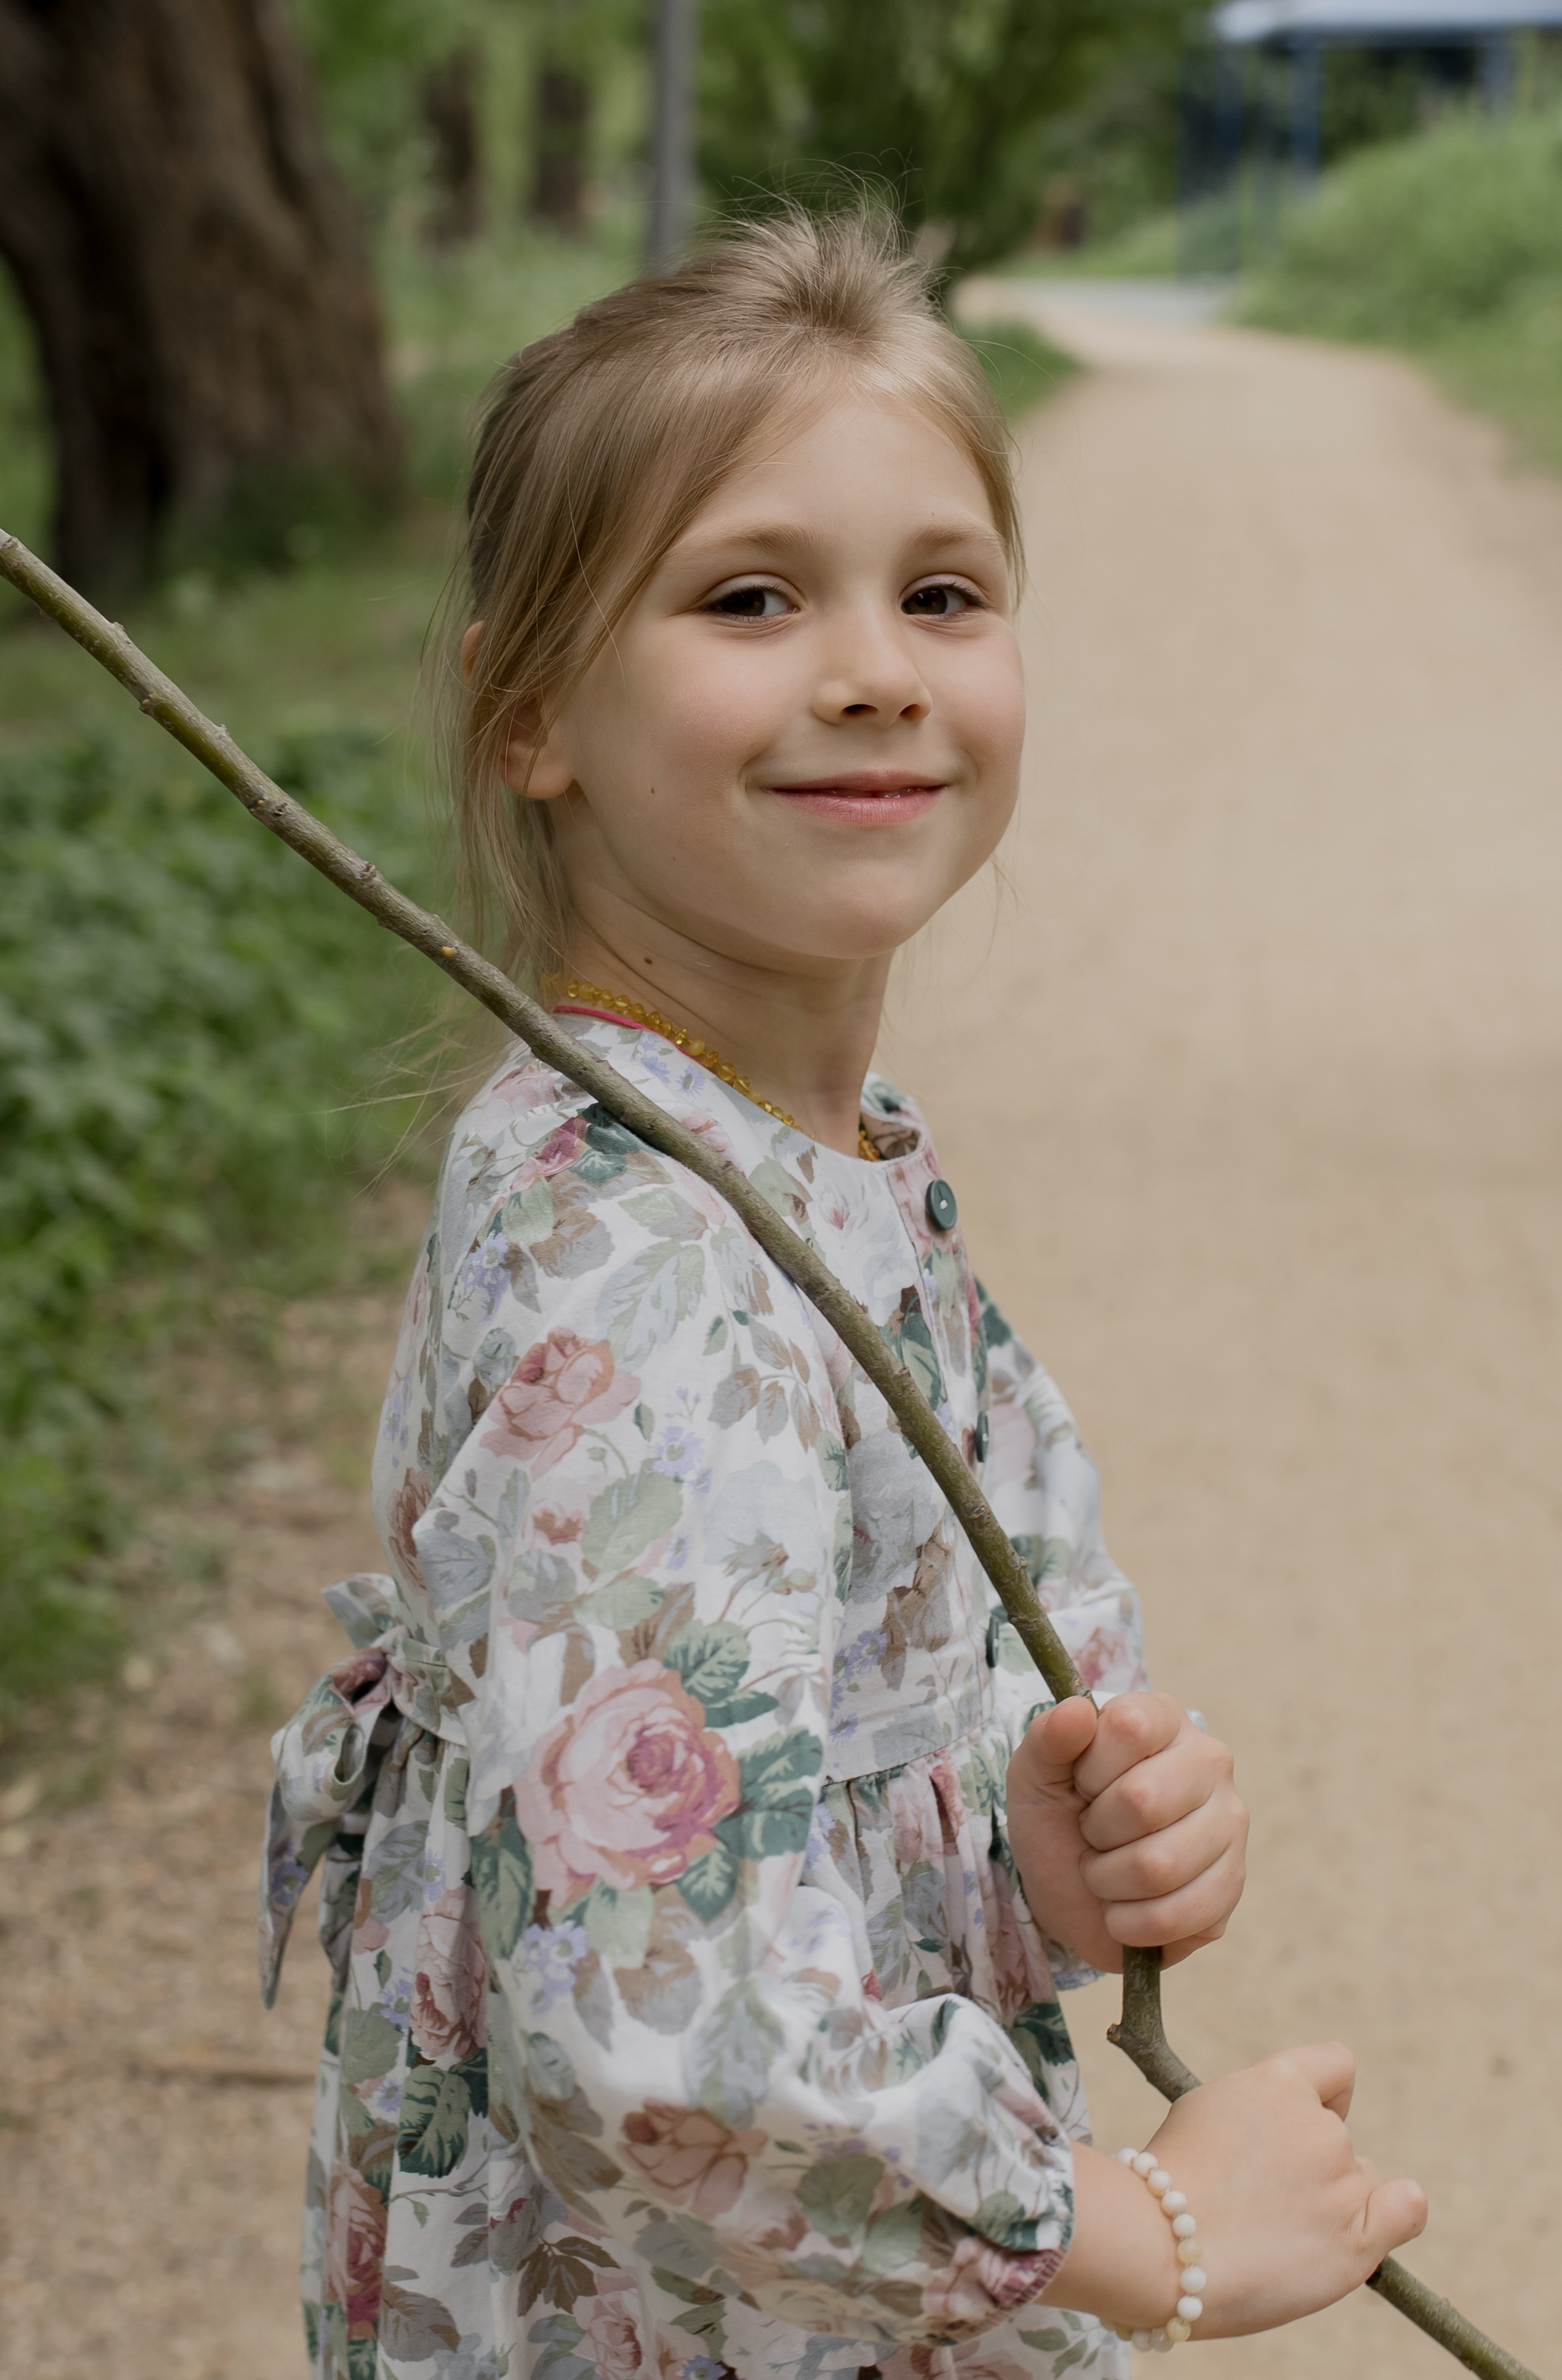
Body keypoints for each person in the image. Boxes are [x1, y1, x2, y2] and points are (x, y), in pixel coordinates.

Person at [261, 210, 1425, 2380]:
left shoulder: (793, 1153)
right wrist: (1140, 2223)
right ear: (530, 710)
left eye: (942, 593)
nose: (876, 666)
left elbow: (751, 1785)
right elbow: (665, 2038)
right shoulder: (637, 1270)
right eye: (751, 596)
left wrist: (1017, 1858)